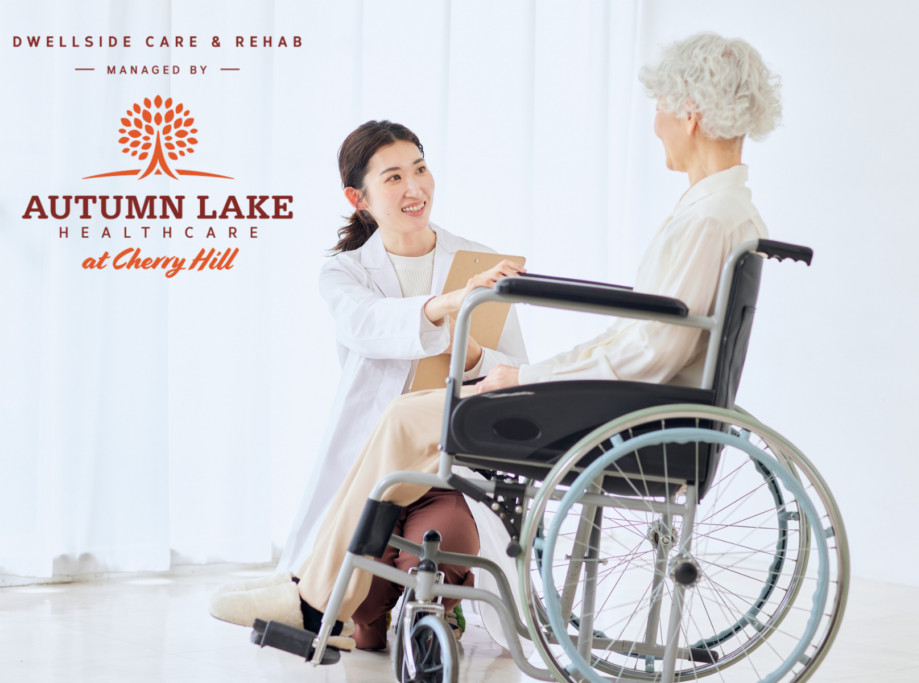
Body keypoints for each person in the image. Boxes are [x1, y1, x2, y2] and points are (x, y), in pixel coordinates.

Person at [211, 32, 782, 647]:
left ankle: (315, 604)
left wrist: (524, 375)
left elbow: (652, 349)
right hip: (633, 400)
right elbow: (646, 339)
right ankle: (327, 599)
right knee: (411, 422)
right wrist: (505, 353)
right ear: (361, 199)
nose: (657, 125)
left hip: (632, 410)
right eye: (394, 176)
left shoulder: (710, 218)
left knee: (409, 421)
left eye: (662, 109)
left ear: (691, 115)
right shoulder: (718, 211)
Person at [208, 121, 529, 651]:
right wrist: (446, 307)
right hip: (373, 463)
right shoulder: (345, 273)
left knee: (442, 542)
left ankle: (432, 608)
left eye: (421, 169)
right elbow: (369, 326)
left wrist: (470, 351)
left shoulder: (480, 263)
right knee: (368, 615)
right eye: (394, 177)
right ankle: (343, 609)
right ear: (358, 197)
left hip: (454, 459)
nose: (415, 189)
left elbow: (513, 367)